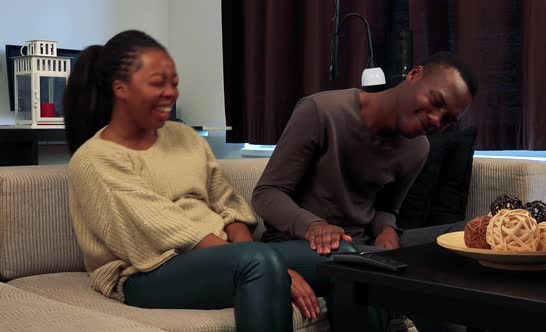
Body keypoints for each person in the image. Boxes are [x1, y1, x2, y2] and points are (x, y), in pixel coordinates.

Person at [63, 30, 362, 332]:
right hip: (146, 273)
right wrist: (264, 262)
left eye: (173, 82)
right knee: (257, 264)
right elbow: (166, 231)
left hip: (223, 257)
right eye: (157, 82)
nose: (170, 92)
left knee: (345, 259)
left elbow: (227, 204)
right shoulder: (96, 160)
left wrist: (255, 252)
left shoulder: (183, 136)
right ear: (121, 89)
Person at [252, 52, 478, 331]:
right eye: (436, 102)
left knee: (473, 234)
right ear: (414, 75)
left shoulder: (418, 148)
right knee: (363, 267)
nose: (435, 119)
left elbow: (387, 209)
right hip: (302, 246)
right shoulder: (322, 111)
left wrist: (387, 230)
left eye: (447, 120)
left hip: (365, 245)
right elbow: (266, 193)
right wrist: (312, 225)